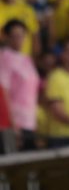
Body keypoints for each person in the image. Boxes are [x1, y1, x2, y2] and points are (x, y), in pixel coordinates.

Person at [0, 19, 38, 151]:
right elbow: (3, 90)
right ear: (6, 37)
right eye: (14, 36)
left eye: (21, 35)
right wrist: (11, 122)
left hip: (30, 121)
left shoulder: (27, 59)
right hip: (15, 122)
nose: (19, 39)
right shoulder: (4, 57)